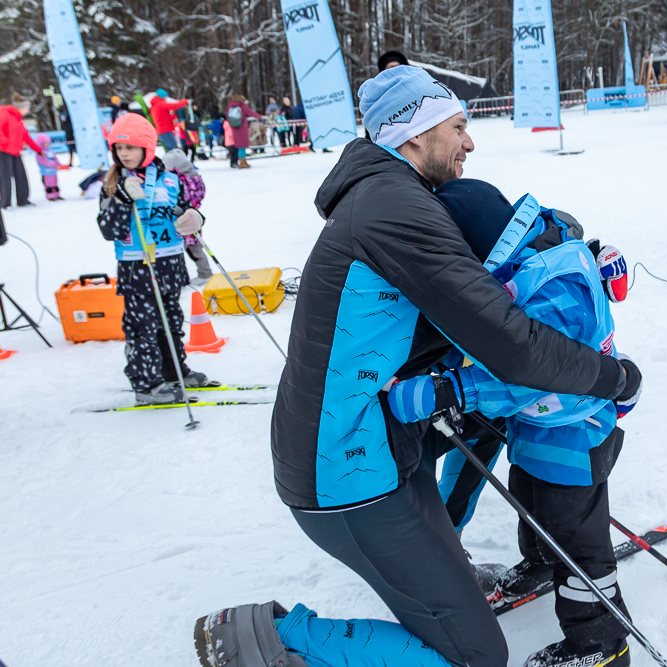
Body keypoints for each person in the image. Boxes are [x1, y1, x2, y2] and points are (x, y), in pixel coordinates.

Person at [194, 65, 634, 667]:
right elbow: (511, 344)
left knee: (487, 417)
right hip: (347, 473)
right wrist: (614, 378)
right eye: (458, 127)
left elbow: (495, 255)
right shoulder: (395, 207)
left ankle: (441, 561)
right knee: (477, 659)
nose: (470, 143)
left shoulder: (396, 196)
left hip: (377, 443)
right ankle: (274, 637)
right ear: (414, 133)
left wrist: (572, 245)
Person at [388, 179, 640, 667]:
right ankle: (544, 565)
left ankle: (602, 643)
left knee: (579, 542)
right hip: (539, 432)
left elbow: (536, 373)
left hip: (575, 436)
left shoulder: (553, 284)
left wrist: (455, 391)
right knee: (531, 503)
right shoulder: (526, 260)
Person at [96, 113, 212, 404]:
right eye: (119, 149)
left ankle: (173, 370)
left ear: (146, 148)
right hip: (137, 268)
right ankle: (146, 383)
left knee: (171, 320)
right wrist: (122, 199)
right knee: (142, 326)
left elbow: (185, 208)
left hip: (170, 264)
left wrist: (195, 217)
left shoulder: (171, 180)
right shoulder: (113, 184)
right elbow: (108, 230)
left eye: (130, 148)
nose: (124, 154)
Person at [161, 149, 212, 286]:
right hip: (192, 218)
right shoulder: (195, 178)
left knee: (183, 251)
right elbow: (199, 195)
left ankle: (200, 274)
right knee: (195, 248)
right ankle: (202, 273)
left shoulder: (179, 181)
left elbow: (177, 199)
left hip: (181, 220)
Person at [0, 94, 43, 209]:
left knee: (21, 175)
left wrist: (38, 150)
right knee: (5, 177)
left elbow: (27, 138)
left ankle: (23, 199)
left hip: (15, 151)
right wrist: (5, 142)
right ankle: (5, 202)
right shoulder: (5, 114)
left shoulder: (18, 120)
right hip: (3, 151)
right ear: (21, 107)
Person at [224, 94, 263, 169]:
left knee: (239, 145)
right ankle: (242, 162)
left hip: (234, 127)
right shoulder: (242, 106)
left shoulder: (229, 106)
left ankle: (243, 161)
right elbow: (251, 113)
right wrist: (260, 117)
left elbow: (227, 116)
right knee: (243, 145)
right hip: (242, 127)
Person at [34, 134, 62, 200]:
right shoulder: (40, 153)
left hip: (53, 171)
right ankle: (50, 196)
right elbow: (43, 161)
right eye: (45, 143)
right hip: (46, 172)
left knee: (55, 183)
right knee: (49, 184)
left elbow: (55, 158)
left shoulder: (50, 151)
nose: (47, 144)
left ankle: (56, 194)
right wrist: (53, 164)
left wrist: (58, 163)